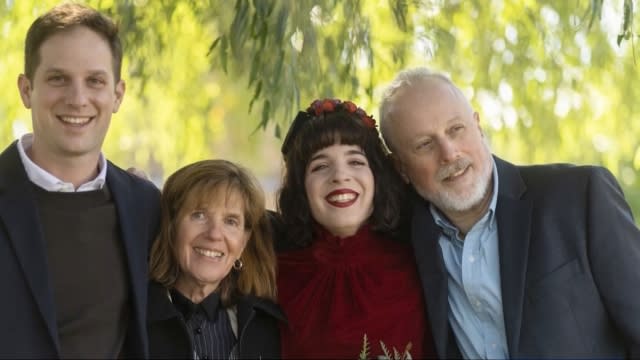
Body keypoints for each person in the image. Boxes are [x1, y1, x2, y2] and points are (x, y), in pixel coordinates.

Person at [378, 67, 640, 358]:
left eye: (456, 129)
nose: (449, 153)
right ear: (400, 168)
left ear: (477, 126)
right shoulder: (407, 244)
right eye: (425, 144)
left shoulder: (579, 197)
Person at [0, 3, 161, 358]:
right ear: (26, 90)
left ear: (117, 95)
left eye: (95, 81)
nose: (77, 99)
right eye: (58, 78)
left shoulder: (146, 208)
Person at [275, 98, 436, 358]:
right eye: (320, 166)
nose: (340, 175)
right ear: (301, 188)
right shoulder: (273, 276)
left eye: (356, 162)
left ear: (377, 178)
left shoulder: (423, 266)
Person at [147, 159, 286, 359]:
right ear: (172, 226)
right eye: (199, 215)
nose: (214, 234)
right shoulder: (133, 319)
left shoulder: (268, 325)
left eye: (231, 221)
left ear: (243, 242)